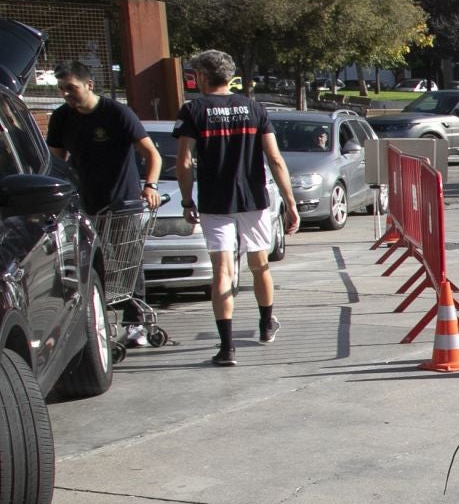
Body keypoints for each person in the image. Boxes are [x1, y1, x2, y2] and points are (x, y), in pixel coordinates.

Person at [174, 49, 299, 367]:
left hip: (215, 201)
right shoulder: (254, 108)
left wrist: (187, 199)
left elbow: (184, 161)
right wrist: (290, 202)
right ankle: (266, 325)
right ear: (230, 76)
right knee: (260, 265)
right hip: (253, 199)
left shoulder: (193, 110)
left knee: (223, 272)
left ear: (202, 76)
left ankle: (227, 347)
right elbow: (274, 159)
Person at [46, 61, 163, 345]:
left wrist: (150, 186)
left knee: (128, 263)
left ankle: (135, 323)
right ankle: (94, 322)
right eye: (62, 89)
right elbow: (55, 162)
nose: (66, 94)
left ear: (89, 85)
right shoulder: (62, 117)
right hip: (86, 204)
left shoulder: (116, 113)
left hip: (123, 202)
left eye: (71, 88)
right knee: (96, 266)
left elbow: (152, 154)